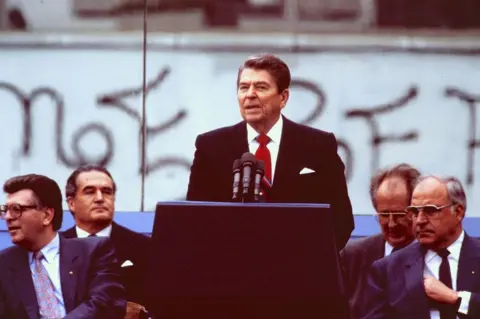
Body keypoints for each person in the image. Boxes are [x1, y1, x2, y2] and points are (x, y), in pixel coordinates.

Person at [186, 53, 353, 249]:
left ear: (283, 98)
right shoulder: (211, 147)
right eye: (243, 87)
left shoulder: (319, 146)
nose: (250, 94)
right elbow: (195, 219)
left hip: (298, 269)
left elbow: (341, 221)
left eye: (261, 87)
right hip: (229, 269)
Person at [0, 174, 126, 319]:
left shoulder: (93, 251)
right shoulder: (5, 263)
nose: (8, 217)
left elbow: (105, 303)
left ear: (47, 215)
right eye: (5, 210)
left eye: (16, 209)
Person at [361, 176, 480, 319]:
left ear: (458, 212)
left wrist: (456, 299)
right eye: (415, 212)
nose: (420, 220)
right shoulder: (388, 270)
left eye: (430, 211)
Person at [61, 164, 151, 309]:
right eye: (89, 192)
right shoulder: (56, 247)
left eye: (107, 192)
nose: (100, 198)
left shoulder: (144, 247)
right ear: (71, 203)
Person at [340, 163, 419, 319]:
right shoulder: (352, 255)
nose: (391, 224)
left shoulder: (433, 253)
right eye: (383, 215)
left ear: (416, 210)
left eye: (399, 214)